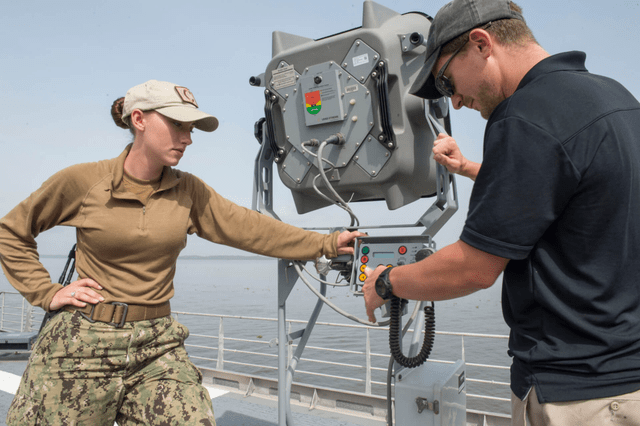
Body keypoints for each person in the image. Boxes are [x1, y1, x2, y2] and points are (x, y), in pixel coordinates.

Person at [0, 79, 364, 426]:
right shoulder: (84, 181)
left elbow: (249, 228)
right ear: (139, 119)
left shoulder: (187, 190)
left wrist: (325, 243)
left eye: (192, 129)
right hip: (85, 339)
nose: (188, 138)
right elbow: (12, 232)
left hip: (157, 342)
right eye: (177, 124)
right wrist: (47, 293)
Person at [362, 0, 640, 425]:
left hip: (574, 392)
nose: (455, 101)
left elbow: (473, 269)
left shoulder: (523, 116)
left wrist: (386, 282)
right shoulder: (615, 97)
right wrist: (469, 168)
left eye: (447, 81)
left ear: (480, 44)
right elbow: (565, 188)